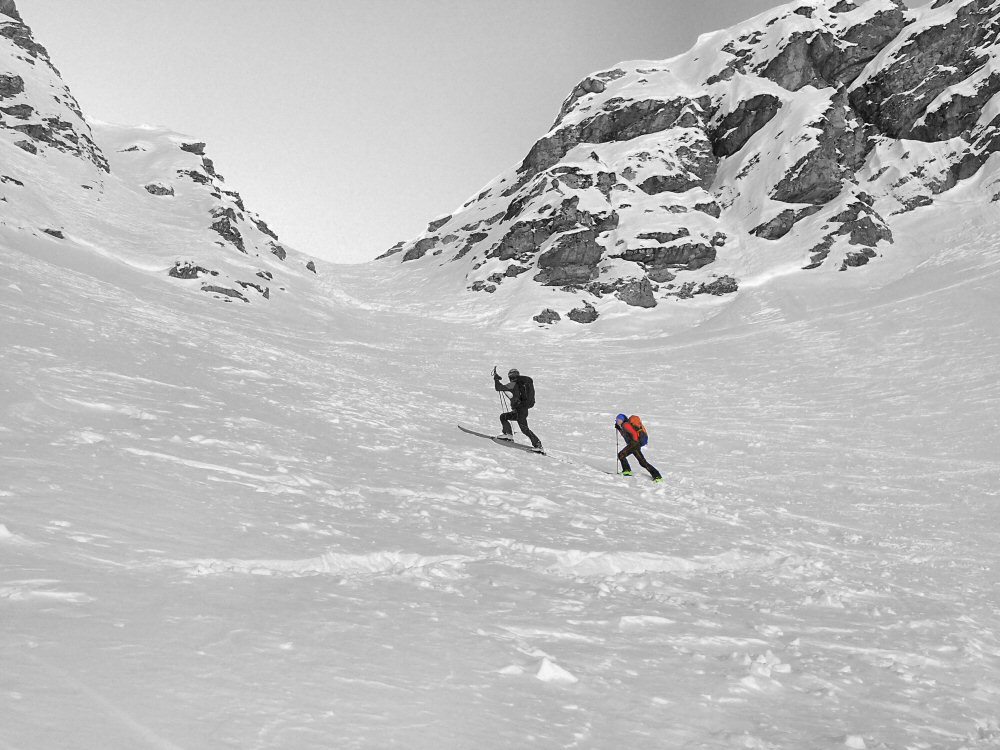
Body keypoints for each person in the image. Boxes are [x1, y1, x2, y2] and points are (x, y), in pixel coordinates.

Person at [494, 367, 543, 452]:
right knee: (504, 417)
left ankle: (538, 445)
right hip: (522, 411)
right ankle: (508, 435)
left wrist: (496, 379)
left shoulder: (513, 384)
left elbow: (498, 387)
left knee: (524, 429)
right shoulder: (520, 385)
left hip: (519, 411)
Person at [615, 413, 662, 482]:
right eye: (617, 420)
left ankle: (627, 471)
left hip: (634, 444)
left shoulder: (625, 425)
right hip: (635, 444)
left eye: (619, 419)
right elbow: (625, 435)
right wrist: (619, 429)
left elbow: (634, 433)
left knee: (621, 455)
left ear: (623, 420)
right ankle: (657, 476)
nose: (618, 421)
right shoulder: (624, 426)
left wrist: (635, 442)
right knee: (642, 462)